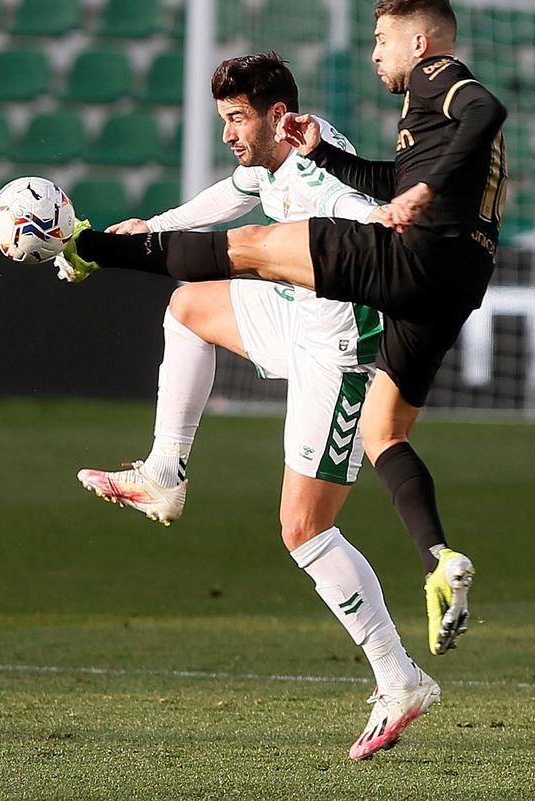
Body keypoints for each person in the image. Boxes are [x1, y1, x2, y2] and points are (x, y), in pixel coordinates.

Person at [59, 52, 443, 760]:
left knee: (303, 529)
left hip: (338, 355)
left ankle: (400, 679)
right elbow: (233, 193)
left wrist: (392, 216)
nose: (230, 133)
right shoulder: (280, 150)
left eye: (237, 118)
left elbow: (373, 225)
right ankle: (164, 473)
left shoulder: (321, 173)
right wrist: (150, 228)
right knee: (187, 306)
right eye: (224, 119)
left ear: (276, 116)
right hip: (292, 316)